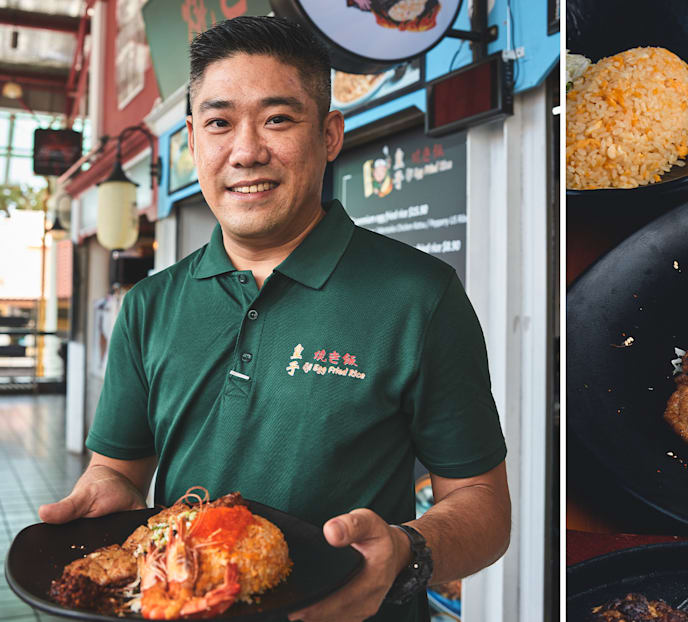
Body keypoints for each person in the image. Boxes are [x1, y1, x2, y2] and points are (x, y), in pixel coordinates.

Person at [39, 16, 510, 622]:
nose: (246, 151)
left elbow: (481, 504)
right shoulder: (149, 305)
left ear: (331, 134)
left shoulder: (419, 295)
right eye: (219, 123)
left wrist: (409, 552)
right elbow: (118, 468)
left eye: (278, 119)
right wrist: (108, 488)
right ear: (192, 139)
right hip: (181, 604)